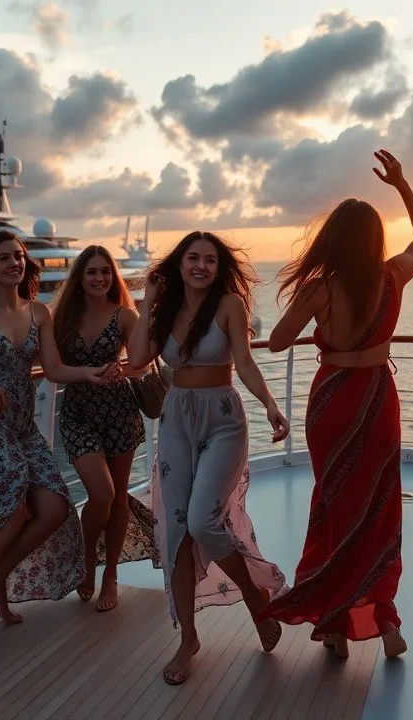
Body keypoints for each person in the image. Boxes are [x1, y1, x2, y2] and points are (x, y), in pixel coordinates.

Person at [258, 149, 413, 660]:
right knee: (378, 509)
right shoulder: (394, 276)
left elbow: (277, 342)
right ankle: (385, 618)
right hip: (378, 400)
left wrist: (316, 318)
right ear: (376, 240)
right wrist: (401, 184)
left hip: (333, 401)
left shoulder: (320, 289)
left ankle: (334, 627)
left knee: (334, 506)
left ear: (332, 240)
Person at [0, 230, 115, 656]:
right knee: (12, 508)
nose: (15, 263)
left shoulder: (40, 313)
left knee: (54, 507)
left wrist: (90, 373)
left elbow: (52, 368)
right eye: (5, 258)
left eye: (19, 256)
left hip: (22, 428)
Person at [125, 230, 290, 686]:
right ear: (179, 264)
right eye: (193, 258)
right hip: (177, 421)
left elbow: (246, 363)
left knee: (203, 521)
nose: (201, 266)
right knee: (177, 531)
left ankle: (256, 599)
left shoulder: (229, 305)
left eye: (210, 260)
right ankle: (188, 640)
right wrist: (147, 302)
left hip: (222, 419)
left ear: (219, 268)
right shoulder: (163, 312)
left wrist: (271, 405)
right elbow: (138, 360)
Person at [51, 245, 157, 612]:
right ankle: (86, 561)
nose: (99, 278)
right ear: (79, 278)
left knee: (118, 495)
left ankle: (110, 572)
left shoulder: (124, 315)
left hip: (118, 412)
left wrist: (123, 369)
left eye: (105, 272)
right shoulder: (62, 317)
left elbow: (142, 360)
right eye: (92, 272)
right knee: (102, 493)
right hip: (79, 413)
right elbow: (50, 366)